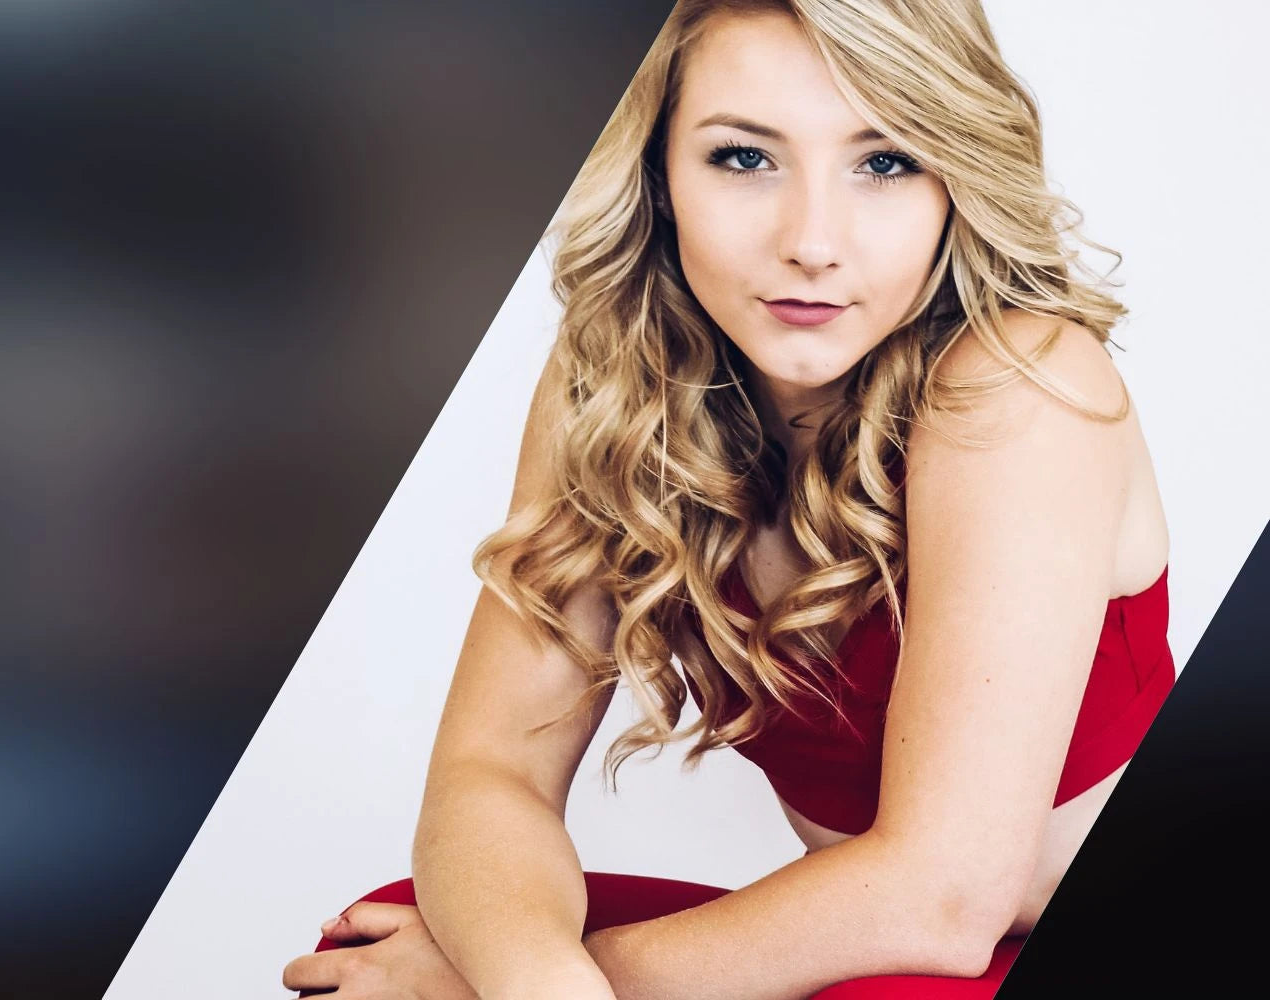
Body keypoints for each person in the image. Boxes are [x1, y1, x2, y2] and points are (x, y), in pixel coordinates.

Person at [280, 1, 1174, 997]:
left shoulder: (1019, 379)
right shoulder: (614, 385)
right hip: (872, 943)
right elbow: (493, 771)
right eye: (745, 158)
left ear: (954, 180)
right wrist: (533, 981)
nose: (813, 242)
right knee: (387, 942)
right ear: (659, 171)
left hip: (985, 943)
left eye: (885, 161)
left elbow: (947, 899)